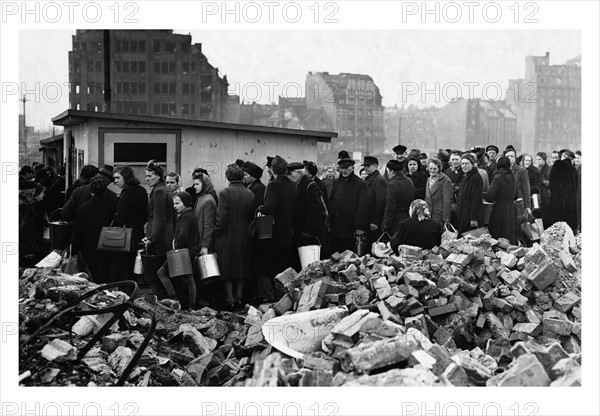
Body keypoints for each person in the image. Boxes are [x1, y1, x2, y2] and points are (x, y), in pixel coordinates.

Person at [215, 164, 255, 309]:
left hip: (227, 236)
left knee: (227, 268)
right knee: (242, 267)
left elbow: (221, 218)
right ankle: (239, 296)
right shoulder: (250, 193)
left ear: (228, 177)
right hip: (245, 235)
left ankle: (229, 298)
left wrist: (216, 231)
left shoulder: (224, 193)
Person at [257, 156, 295, 301]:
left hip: (276, 231)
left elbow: (270, 208)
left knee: (275, 265)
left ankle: (276, 298)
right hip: (290, 231)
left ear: (273, 170)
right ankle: (287, 296)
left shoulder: (273, 185)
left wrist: (261, 208)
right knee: (286, 265)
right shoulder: (292, 185)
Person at [155, 191, 199, 309]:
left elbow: (183, 235)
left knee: (162, 273)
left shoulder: (186, 216)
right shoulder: (190, 215)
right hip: (189, 250)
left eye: (177, 203)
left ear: (185, 203)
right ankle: (191, 306)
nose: (174, 206)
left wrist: (176, 246)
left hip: (182, 251)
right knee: (188, 279)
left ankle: (175, 299)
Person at [71, 177, 117, 283]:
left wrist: (74, 251)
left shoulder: (83, 208)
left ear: (91, 191)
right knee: (105, 273)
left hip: (88, 245)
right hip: (108, 244)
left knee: (91, 275)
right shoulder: (112, 207)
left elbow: (77, 232)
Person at [142, 160, 175, 296]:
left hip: (160, 236)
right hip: (165, 233)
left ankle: (161, 299)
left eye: (150, 176)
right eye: (146, 176)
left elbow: (159, 218)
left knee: (155, 270)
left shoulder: (159, 192)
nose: (146, 179)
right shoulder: (162, 189)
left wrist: (152, 239)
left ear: (158, 176)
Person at [110, 166, 148, 283]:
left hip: (125, 234)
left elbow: (120, 215)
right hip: (138, 231)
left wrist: (114, 224)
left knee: (123, 266)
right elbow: (145, 213)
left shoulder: (127, 191)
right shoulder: (141, 190)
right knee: (133, 265)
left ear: (125, 177)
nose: (115, 181)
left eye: (118, 177)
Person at [288, 162, 331, 263]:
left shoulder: (310, 185)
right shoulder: (298, 185)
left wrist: (308, 232)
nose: (289, 177)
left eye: (291, 174)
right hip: (302, 233)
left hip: (311, 235)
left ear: (299, 172)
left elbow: (315, 210)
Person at [329, 158, 370, 253]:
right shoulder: (336, 182)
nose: (344, 171)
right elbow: (332, 200)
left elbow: (363, 207)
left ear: (352, 168)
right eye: (342, 168)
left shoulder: (360, 184)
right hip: (336, 227)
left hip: (350, 227)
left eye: (346, 168)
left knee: (349, 255)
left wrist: (359, 226)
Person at [191, 169, 217, 305]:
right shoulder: (202, 198)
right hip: (199, 241)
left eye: (197, 184)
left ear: (204, 184)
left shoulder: (208, 200)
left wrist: (205, 245)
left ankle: (206, 301)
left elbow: (209, 225)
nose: (194, 186)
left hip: (204, 243)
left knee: (207, 273)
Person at [483, 156, 517, 244]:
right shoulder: (512, 176)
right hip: (511, 210)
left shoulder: (498, 176)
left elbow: (490, 195)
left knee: (497, 235)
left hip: (499, 209)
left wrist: (481, 193)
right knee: (508, 235)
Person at [381, 159, 414, 237]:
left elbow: (390, 207)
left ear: (392, 171)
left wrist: (386, 225)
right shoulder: (409, 181)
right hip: (408, 217)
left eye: (388, 171)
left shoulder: (392, 184)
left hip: (396, 221)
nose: (387, 173)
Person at [544, 158, 578, 231]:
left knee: (554, 218)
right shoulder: (571, 169)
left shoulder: (556, 166)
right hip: (568, 197)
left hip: (555, 196)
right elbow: (574, 185)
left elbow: (551, 183)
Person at [362, 156, 387, 246]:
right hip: (368, 219)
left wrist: (375, 222)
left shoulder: (379, 180)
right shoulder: (369, 179)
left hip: (374, 222)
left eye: (368, 166)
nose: (365, 168)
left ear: (375, 166)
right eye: (365, 166)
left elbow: (381, 202)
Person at [504, 146, 532, 227]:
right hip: (506, 203)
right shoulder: (501, 170)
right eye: (507, 156)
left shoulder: (521, 170)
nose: (509, 158)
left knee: (518, 225)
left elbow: (526, 189)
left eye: (512, 156)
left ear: (515, 158)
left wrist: (527, 206)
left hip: (519, 204)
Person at [456, 153, 483, 234]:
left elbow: (476, 199)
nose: (464, 166)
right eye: (462, 164)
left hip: (469, 218)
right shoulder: (466, 177)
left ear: (472, 165)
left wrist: (473, 218)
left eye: (467, 163)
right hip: (463, 216)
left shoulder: (476, 178)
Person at [425, 157, 453, 230]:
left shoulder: (446, 180)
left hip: (439, 215)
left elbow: (447, 201)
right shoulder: (428, 179)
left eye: (434, 169)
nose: (432, 171)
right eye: (430, 168)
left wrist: (446, 219)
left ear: (439, 168)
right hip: (429, 215)